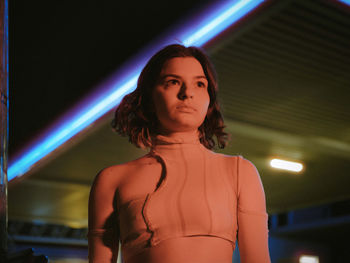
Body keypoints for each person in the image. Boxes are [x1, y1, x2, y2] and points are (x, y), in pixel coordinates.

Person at [88, 44, 271, 263]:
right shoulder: (112, 180)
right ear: (149, 97)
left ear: (209, 100)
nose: (187, 93)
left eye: (200, 84)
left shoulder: (241, 173)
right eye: (173, 82)